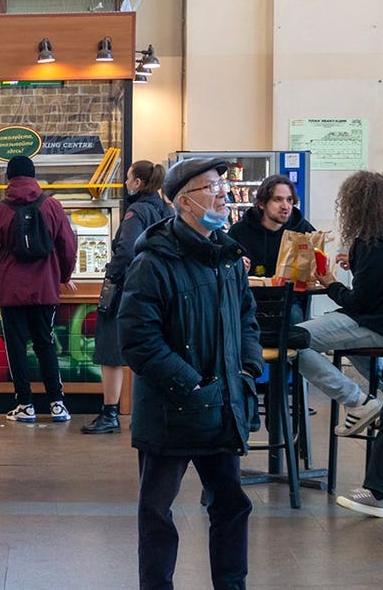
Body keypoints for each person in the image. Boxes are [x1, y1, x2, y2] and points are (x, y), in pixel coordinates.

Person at [118, 157, 262, 589]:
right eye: (211, 187)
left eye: (222, 186)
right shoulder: (154, 261)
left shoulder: (229, 258)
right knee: (157, 513)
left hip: (222, 407)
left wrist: (247, 368)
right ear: (184, 201)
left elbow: (246, 320)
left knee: (231, 505)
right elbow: (138, 339)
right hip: (172, 410)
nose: (223, 194)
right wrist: (192, 383)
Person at [0, 155, 78, 423]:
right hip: (45, 287)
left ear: (8, 178)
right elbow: (68, 246)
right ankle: (57, 404)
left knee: (16, 347)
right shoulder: (52, 206)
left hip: (11, 289)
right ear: (34, 176)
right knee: (46, 343)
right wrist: (63, 275)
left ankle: (25, 405)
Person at [293, 171, 383, 446]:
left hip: (373, 325)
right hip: (376, 323)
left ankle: (356, 400)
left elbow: (359, 303)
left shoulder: (370, 243)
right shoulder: (375, 243)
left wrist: (331, 283)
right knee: (350, 344)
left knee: (291, 339)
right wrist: (356, 263)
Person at [83, 160, 173, 434]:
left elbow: (126, 251)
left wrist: (112, 276)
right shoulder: (166, 210)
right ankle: (151, 412)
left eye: (128, 178)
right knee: (152, 347)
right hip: (159, 290)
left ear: (138, 183)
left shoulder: (137, 211)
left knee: (111, 349)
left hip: (129, 289)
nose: (125, 183)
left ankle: (110, 413)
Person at [227, 174, 315, 278]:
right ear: (261, 203)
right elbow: (224, 269)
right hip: (253, 289)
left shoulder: (303, 230)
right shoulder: (239, 232)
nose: (285, 206)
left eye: (289, 200)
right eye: (278, 199)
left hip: (293, 289)